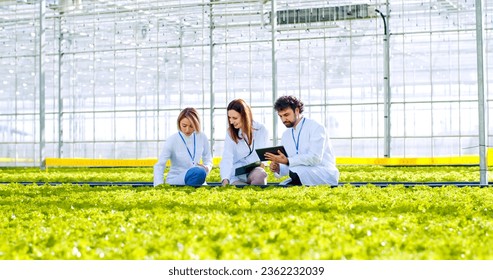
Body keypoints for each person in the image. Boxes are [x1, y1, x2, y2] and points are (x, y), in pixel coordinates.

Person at [264, 95, 339, 186]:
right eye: (281, 116)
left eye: (286, 115)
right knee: (295, 174)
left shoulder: (315, 127)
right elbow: (290, 162)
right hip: (300, 173)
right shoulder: (286, 135)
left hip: (322, 172)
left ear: (297, 110)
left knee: (298, 172)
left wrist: (287, 160)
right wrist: (278, 167)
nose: (284, 119)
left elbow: (315, 158)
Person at [153, 108, 212, 186]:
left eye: (191, 126)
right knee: (198, 173)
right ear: (179, 123)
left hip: (197, 176)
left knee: (199, 172)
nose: (187, 130)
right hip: (177, 179)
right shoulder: (172, 140)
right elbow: (160, 165)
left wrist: (207, 167)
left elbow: (208, 159)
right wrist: (158, 185)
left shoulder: (201, 136)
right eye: (184, 126)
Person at [220, 99, 270, 185]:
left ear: (244, 115)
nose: (231, 122)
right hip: (236, 173)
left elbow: (264, 154)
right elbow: (227, 157)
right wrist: (225, 179)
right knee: (239, 191)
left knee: (260, 176)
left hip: (253, 170)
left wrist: (263, 164)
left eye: (235, 118)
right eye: (229, 118)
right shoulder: (230, 133)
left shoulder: (261, 129)